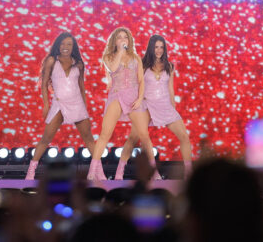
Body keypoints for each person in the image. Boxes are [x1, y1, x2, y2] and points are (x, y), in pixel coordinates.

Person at [87, 27, 160, 181]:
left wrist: (140, 98)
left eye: (125, 37)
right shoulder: (108, 56)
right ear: (115, 40)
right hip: (116, 95)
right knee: (105, 135)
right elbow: (113, 69)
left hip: (134, 97)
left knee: (144, 136)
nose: (122, 40)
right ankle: (92, 172)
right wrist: (120, 52)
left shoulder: (136, 57)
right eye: (119, 37)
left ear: (129, 40)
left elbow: (141, 80)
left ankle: (154, 172)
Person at [115, 35, 192, 179]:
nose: (159, 50)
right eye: (156, 47)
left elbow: (170, 89)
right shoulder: (142, 65)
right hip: (146, 104)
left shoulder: (169, 66)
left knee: (184, 137)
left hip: (164, 104)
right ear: (151, 47)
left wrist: (173, 108)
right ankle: (120, 172)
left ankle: (188, 172)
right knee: (134, 138)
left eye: (161, 47)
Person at [25, 32, 95, 180]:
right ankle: (31, 172)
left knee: (89, 138)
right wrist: (46, 105)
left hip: (77, 103)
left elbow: (81, 87)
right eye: (63, 44)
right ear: (58, 45)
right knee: (46, 138)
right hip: (59, 103)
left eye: (69, 44)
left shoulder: (79, 63)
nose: (65, 47)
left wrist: (85, 107)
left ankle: (97, 171)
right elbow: (44, 85)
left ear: (73, 47)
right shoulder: (52, 60)